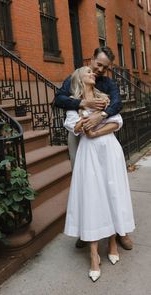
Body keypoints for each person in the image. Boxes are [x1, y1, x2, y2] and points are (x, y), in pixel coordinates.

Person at [54, 46, 133, 251]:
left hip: (103, 135)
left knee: (110, 183)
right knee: (85, 184)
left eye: (104, 68)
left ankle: (120, 231)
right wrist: (83, 102)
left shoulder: (107, 83)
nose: (99, 70)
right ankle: (86, 232)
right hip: (78, 137)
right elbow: (59, 99)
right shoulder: (75, 78)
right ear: (91, 59)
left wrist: (102, 115)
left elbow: (117, 103)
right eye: (98, 65)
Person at [63, 66, 135, 282]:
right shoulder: (73, 104)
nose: (93, 73)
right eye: (87, 72)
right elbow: (74, 126)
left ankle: (113, 241)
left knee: (112, 193)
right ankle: (94, 254)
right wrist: (89, 118)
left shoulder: (105, 98)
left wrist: (96, 128)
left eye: (92, 72)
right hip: (89, 154)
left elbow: (117, 122)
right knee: (93, 198)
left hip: (109, 150)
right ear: (79, 79)